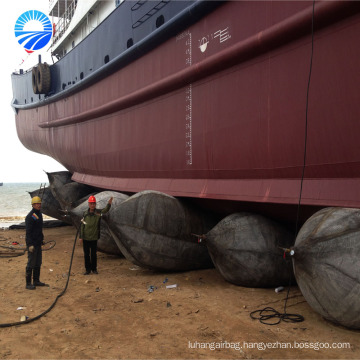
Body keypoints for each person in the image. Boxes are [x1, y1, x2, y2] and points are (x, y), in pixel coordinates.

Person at [79, 195, 113, 275]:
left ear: (95, 204)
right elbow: (82, 225)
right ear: (88, 204)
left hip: (94, 238)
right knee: (86, 255)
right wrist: (81, 237)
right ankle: (87, 270)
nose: (92, 205)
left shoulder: (98, 213)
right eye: (91, 203)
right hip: (86, 238)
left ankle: (94, 269)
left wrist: (109, 204)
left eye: (93, 203)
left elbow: (105, 210)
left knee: (94, 254)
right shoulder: (85, 214)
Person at [25, 196, 48, 290]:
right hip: (32, 244)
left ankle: (36, 281)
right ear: (33, 205)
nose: (39, 205)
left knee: (38, 262)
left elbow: (39, 229)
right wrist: (30, 245)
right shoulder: (30, 217)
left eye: (39, 203)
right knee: (31, 263)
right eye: (37, 204)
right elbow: (28, 232)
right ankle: (28, 283)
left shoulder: (39, 214)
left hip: (38, 243)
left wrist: (41, 239)